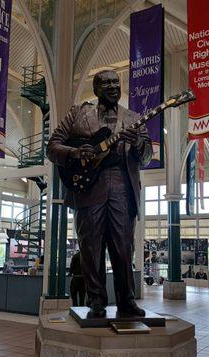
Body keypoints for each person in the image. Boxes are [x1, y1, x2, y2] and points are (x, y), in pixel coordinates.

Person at [47, 69, 152, 318]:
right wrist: (74, 153)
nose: (113, 86)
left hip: (122, 187)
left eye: (116, 82)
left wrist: (138, 142)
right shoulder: (78, 114)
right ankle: (96, 301)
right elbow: (52, 147)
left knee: (124, 248)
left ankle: (127, 301)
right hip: (88, 186)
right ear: (96, 89)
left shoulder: (134, 118)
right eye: (106, 83)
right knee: (90, 248)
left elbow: (147, 156)